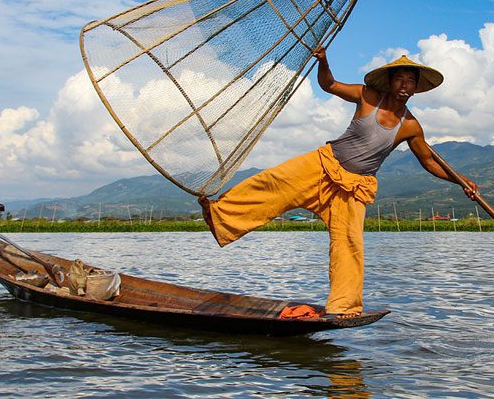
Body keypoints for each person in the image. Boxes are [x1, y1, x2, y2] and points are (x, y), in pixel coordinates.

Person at [199, 48, 478, 318]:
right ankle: (221, 216)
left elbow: (429, 162)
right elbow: (329, 84)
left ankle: (344, 307)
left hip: (354, 188)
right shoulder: (367, 96)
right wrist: (323, 61)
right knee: (273, 182)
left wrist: (461, 180)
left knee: (349, 245)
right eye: (400, 79)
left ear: (416, 89)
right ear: (390, 81)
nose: (405, 85)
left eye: (411, 82)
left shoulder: (411, 126)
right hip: (323, 165)